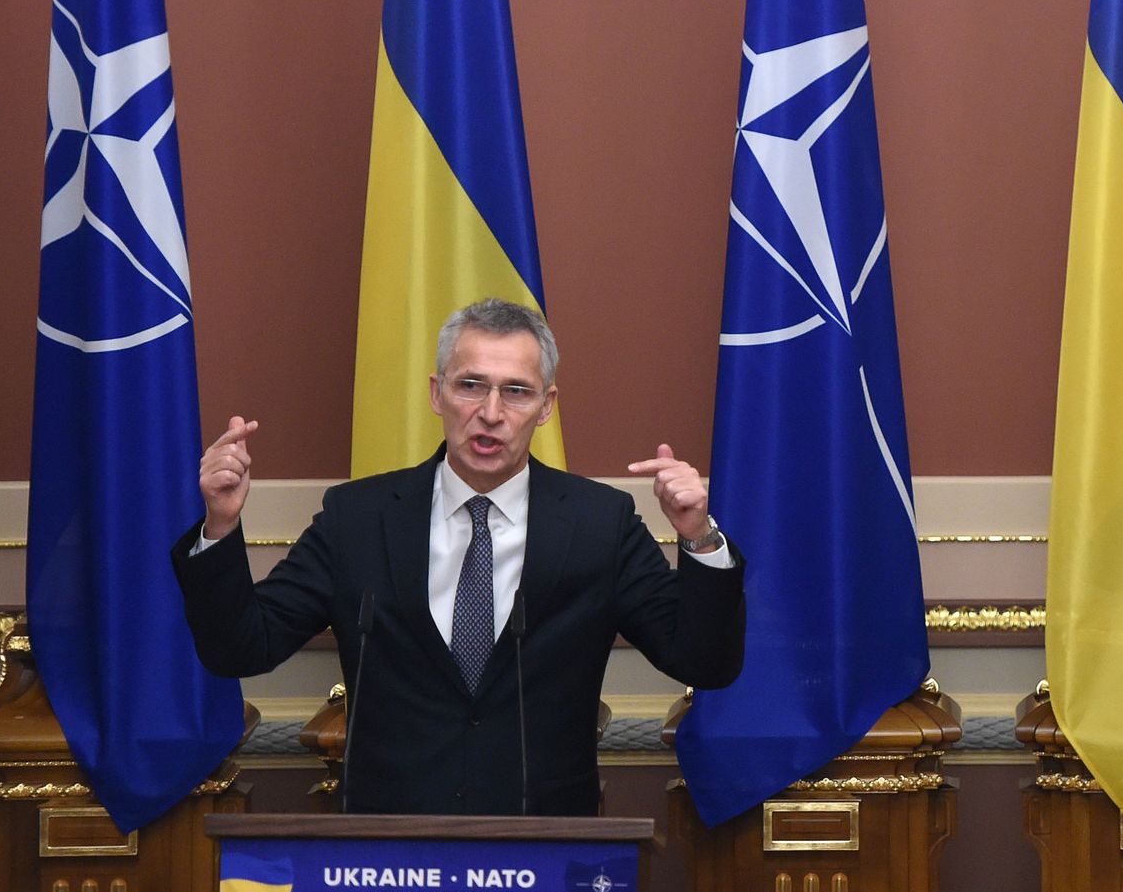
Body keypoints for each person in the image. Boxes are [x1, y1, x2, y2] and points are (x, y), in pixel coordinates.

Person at [171, 298, 744, 815]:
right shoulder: (359, 518)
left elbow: (704, 662)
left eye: (515, 391)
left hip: (545, 842)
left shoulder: (600, 523)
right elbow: (241, 648)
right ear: (436, 393)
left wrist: (697, 536)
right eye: (470, 385)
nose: (490, 411)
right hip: (390, 848)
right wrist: (222, 523)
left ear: (546, 407)